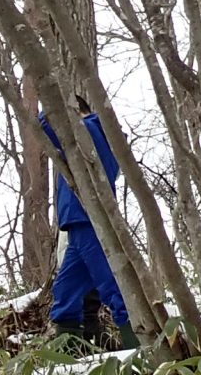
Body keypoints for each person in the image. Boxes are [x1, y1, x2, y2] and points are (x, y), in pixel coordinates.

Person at [39, 97, 132, 346]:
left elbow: (47, 126)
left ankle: (139, 347)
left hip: (90, 221)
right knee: (66, 290)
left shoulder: (90, 128)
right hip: (79, 223)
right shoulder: (91, 133)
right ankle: (69, 350)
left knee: (112, 284)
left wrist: (47, 107)